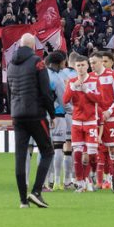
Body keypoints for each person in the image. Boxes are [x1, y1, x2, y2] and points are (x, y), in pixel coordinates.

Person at [8, 33, 56, 209]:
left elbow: (10, 91)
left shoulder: (10, 64)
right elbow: (45, 92)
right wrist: (53, 114)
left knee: (20, 156)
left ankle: (22, 200)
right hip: (36, 114)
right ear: (33, 46)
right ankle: (36, 192)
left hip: (17, 115)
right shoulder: (38, 62)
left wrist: (13, 110)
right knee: (48, 151)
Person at [88, 50, 114, 190]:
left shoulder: (112, 75)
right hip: (94, 120)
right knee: (94, 151)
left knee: (112, 149)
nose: (92, 65)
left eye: (94, 63)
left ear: (101, 62)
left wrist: (110, 111)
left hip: (109, 118)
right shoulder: (89, 77)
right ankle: (94, 181)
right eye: (90, 63)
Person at [64, 52, 100, 191]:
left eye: (83, 65)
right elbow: (65, 100)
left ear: (87, 66)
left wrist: (87, 91)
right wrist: (73, 88)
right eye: (78, 65)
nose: (80, 68)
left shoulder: (94, 81)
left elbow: (100, 100)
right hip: (77, 122)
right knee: (77, 154)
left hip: (91, 121)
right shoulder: (72, 82)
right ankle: (80, 182)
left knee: (91, 154)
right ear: (75, 67)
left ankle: (92, 174)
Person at [44, 52, 75, 191]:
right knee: (58, 148)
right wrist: (75, 111)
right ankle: (58, 181)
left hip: (41, 116)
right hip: (58, 116)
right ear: (60, 62)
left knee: (45, 149)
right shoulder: (58, 78)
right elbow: (64, 101)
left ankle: (47, 181)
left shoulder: (40, 74)